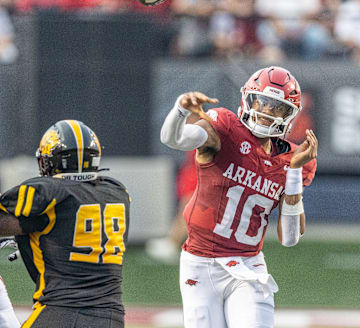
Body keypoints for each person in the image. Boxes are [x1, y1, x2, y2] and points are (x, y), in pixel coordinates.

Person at [160, 66, 317, 327]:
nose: (267, 112)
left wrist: (294, 172)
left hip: (248, 264)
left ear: (289, 115)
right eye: (263, 103)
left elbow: (289, 239)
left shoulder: (295, 158)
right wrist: (180, 110)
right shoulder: (224, 129)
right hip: (199, 262)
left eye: (276, 107)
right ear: (248, 99)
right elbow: (174, 139)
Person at [0, 119, 130, 328]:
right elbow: (66, 217)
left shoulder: (48, 192)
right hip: (111, 317)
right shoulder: (117, 191)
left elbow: (40, 215)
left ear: (50, 161)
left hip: (60, 313)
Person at [145, 150, 197, 263]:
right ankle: (173, 241)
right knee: (188, 206)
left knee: (190, 207)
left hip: (203, 166)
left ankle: (173, 242)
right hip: (195, 164)